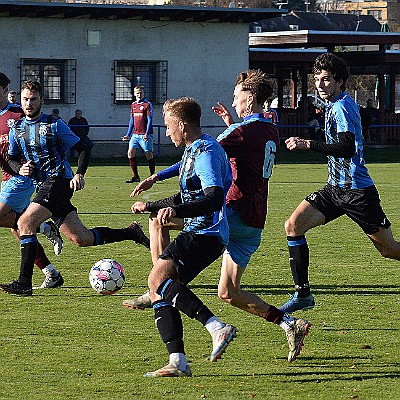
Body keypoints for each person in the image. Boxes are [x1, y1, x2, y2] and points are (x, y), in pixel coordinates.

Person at [124, 70, 311, 364]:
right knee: (228, 292)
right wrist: (231, 123)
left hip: (231, 212)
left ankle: (156, 288)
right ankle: (289, 323)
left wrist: (157, 177)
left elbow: (198, 153)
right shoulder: (270, 128)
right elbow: (246, 146)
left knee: (158, 222)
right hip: (255, 220)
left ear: (250, 99)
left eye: (237, 97)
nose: (233, 102)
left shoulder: (238, 134)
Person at [0, 80, 150, 296]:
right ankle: (131, 232)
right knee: (81, 238)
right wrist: (20, 168)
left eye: (33, 99)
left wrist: (79, 173)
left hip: (59, 181)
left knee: (25, 222)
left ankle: (24, 282)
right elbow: (12, 157)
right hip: (42, 185)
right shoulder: (18, 129)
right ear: (20, 100)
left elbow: (83, 148)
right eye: (25, 99)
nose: (29, 103)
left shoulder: (54, 125)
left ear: (42, 100)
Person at [280, 53, 400, 313]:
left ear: (340, 82)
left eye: (326, 80)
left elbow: (346, 147)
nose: (320, 84)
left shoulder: (343, 106)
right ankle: (303, 295)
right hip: (335, 190)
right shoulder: (333, 106)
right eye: (317, 80)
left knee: (389, 250)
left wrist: (307, 144)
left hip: (357, 192)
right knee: (293, 225)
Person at [131, 97, 236, 377]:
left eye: (167, 127)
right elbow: (186, 193)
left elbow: (213, 198)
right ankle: (178, 362)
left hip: (207, 233)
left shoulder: (206, 153)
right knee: (159, 289)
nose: (166, 133)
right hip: (199, 231)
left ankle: (217, 328)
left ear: (181, 125)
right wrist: (153, 206)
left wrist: (174, 210)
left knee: (157, 280)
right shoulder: (193, 149)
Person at [0, 72, 63, 289]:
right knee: (19, 228)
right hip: (6, 176)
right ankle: (51, 272)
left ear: (5, 90)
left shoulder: (19, 113)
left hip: (22, 177)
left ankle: (43, 226)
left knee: (10, 219)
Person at [122, 86, 155, 183]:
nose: (139, 94)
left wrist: (146, 133)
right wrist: (128, 134)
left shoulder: (147, 104)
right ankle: (136, 176)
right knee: (130, 153)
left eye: (141, 93)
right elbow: (132, 120)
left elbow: (150, 120)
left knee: (148, 154)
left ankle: (152, 175)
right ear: (134, 94)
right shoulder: (133, 105)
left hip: (145, 135)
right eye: (137, 93)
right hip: (135, 135)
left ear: (143, 93)